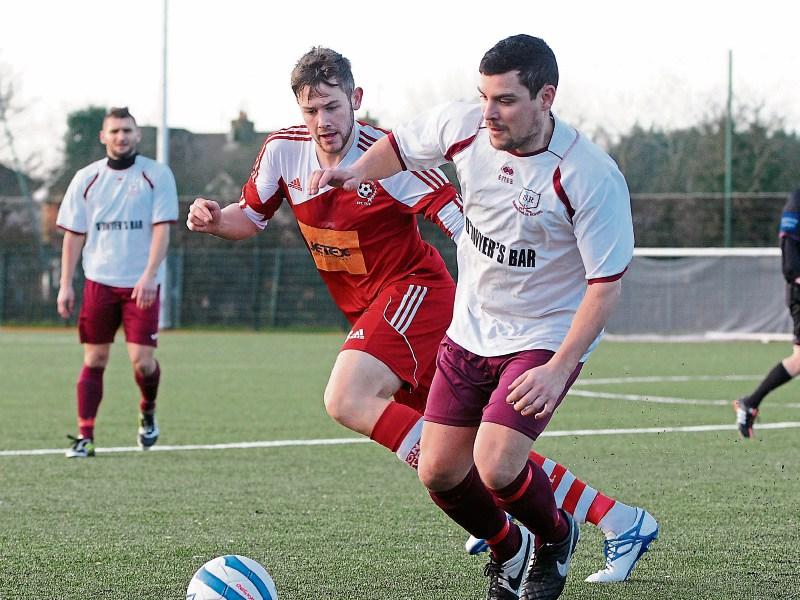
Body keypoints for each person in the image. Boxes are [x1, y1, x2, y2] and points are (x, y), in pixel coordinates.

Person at [190, 47, 656, 588]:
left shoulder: (396, 157)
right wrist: (214, 219)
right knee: (486, 448)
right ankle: (615, 520)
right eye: (312, 110)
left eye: (334, 107)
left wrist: (491, 282)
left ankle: (527, 533)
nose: (324, 121)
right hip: (386, 314)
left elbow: (461, 218)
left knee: (347, 398)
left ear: (355, 102)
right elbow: (249, 216)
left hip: (417, 297)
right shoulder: (281, 153)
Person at [56, 106, 178, 458]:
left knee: (142, 362)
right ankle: (85, 437)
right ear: (103, 136)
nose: (121, 137)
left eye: (127, 130)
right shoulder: (87, 178)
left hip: (140, 284)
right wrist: (66, 283)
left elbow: (162, 230)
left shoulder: (156, 175)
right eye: (115, 131)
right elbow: (74, 235)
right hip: (99, 282)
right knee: (94, 359)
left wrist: (149, 276)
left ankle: (148, 411)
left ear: (137, 135)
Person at [734, 188, 800, 438]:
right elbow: (789, 246)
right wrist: (795, 275)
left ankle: (750, 403)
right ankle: (750, 402)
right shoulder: (798, 199)